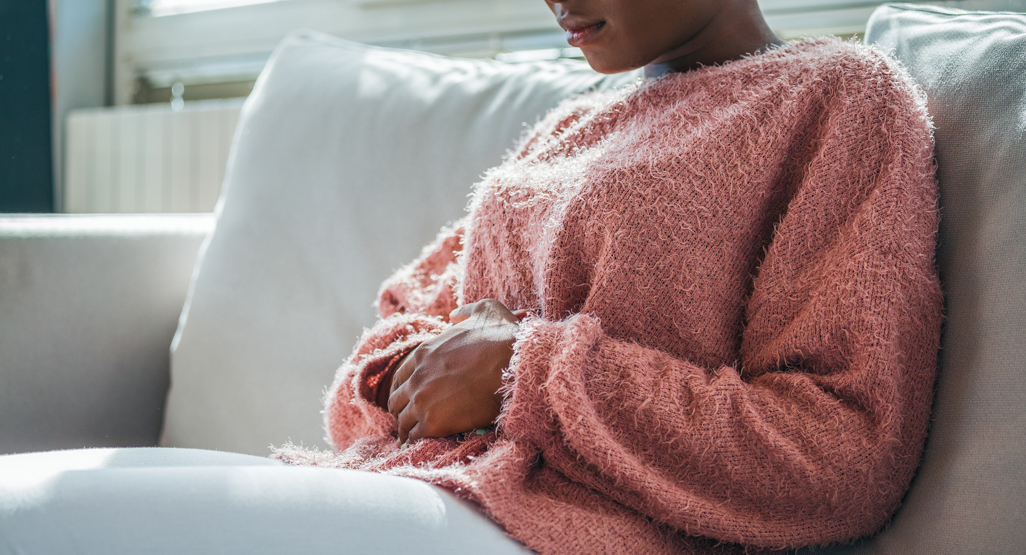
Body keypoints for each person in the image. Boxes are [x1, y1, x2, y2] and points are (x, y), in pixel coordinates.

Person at [275, 0, 944, 553]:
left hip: (557, 532)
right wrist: (411, 375)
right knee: (172, 497)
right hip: (410, 486)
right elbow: (387, 358)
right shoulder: (569, 125)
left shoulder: (839, 97)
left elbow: (841, 456)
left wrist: (521, 373)